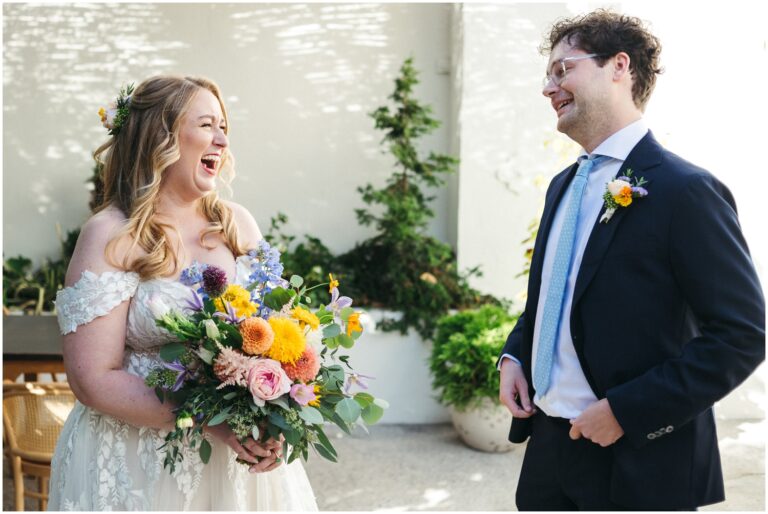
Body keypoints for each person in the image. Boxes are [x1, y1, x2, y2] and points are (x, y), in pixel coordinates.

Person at [498, 10, 765, 511]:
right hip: (549, 454)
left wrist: (626, 411)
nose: (548, 87)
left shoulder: (686, 192)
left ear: (619, 67)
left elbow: (742, 335)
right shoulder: (563, 186)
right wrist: (515, 354)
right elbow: (555, 293)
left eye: (563, 69)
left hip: (640, 463)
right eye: (547, 74)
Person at [49, 75, 318, 510]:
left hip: (238, 465)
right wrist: (210, 419)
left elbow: (279, 335)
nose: (222, 140)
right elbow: (92, 378)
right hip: (138, 460)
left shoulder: (237, 224)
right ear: (161, 136)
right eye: (208, 125)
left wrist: (276, 413)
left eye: (224, 127)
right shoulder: (111, 235)